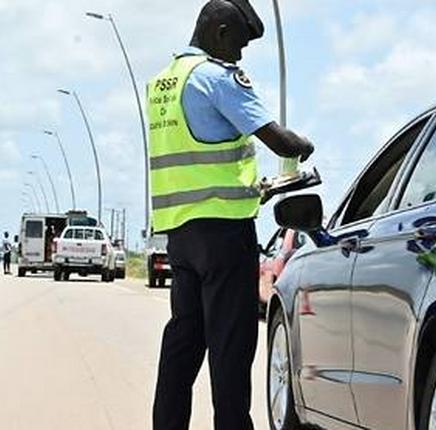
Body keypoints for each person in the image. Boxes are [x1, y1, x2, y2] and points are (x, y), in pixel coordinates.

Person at [148, 1, 314, 429]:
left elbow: (198, 155)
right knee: (231, 345)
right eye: (238, 44)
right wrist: (302, 147)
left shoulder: (164, 82)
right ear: (220, 32)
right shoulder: (215, 78)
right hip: (223, 234)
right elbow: (279, 140)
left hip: (180, 235)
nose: (239, 55)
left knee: (184, 341)